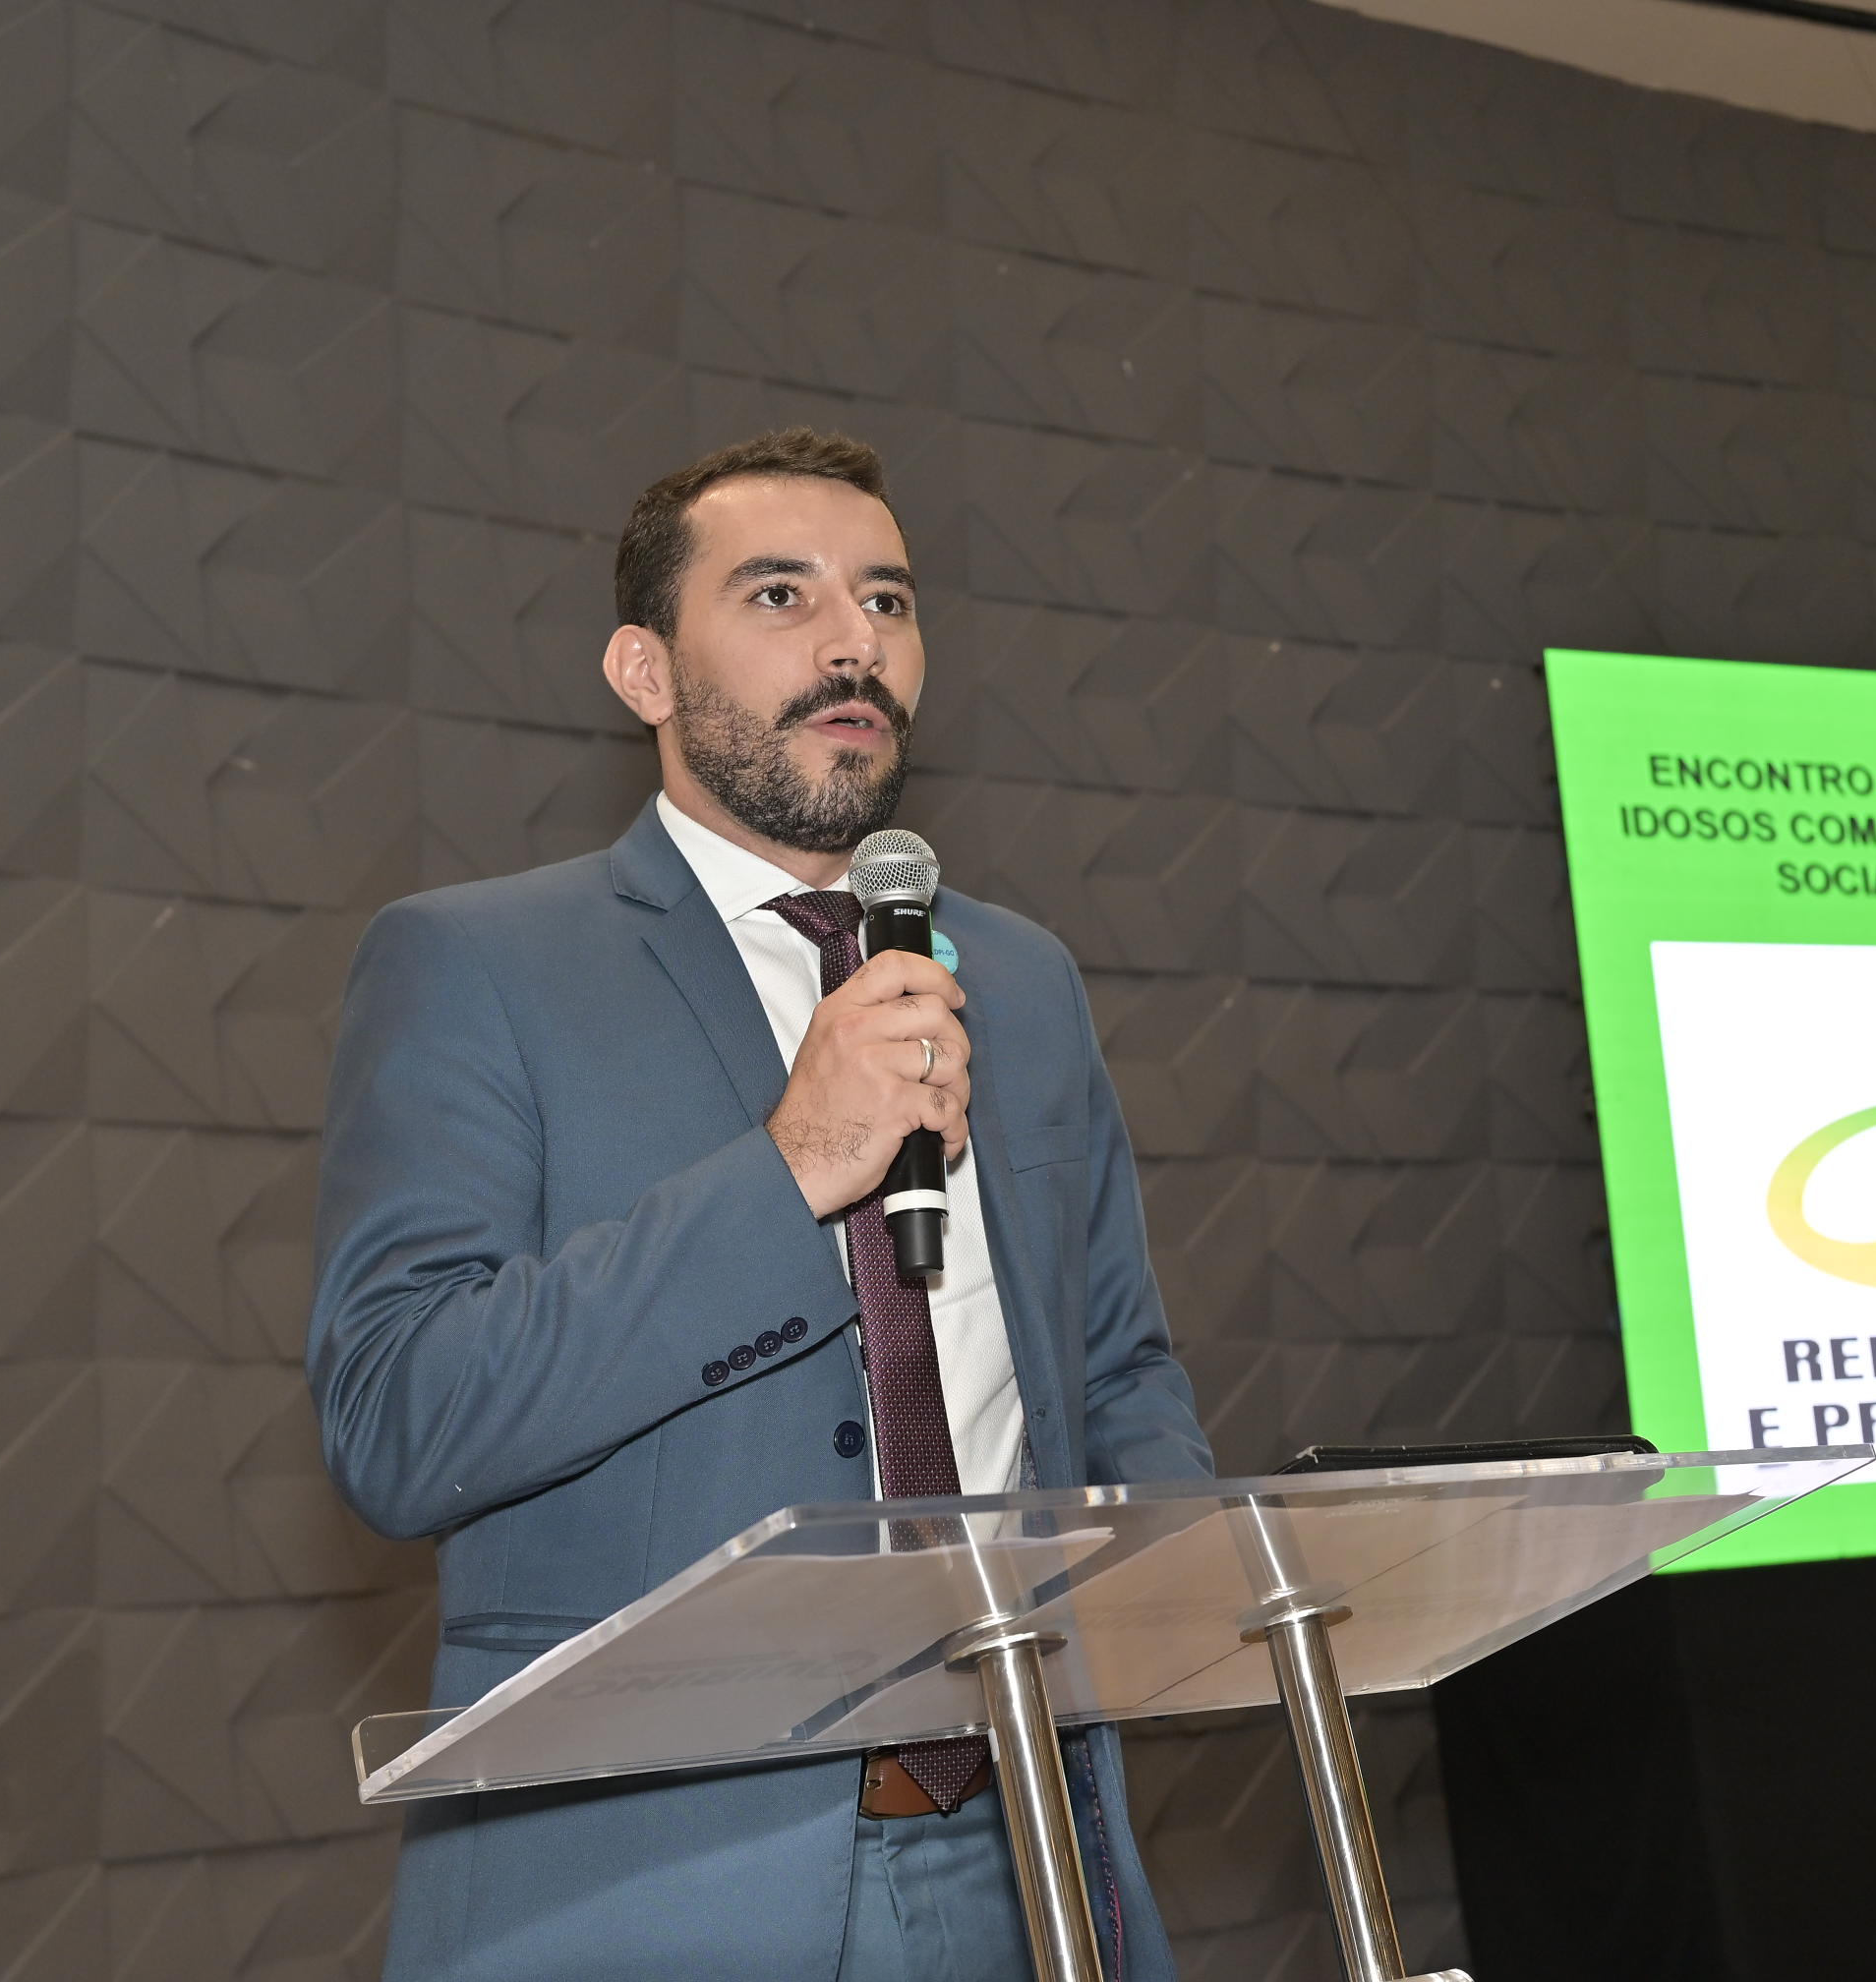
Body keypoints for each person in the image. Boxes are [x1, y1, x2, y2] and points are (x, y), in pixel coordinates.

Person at [309, 428, 1212, 1980]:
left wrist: (1188, 1585)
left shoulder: (1024, 980)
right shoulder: (480, 966)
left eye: (888, 600)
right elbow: (402, 1416)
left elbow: (1116, 1368)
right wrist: (791, 1169)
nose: (855, 641)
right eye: (782, 596)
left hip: (1028, 1857)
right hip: (653, 1889)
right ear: (645, 670)